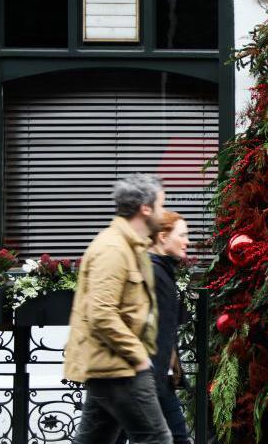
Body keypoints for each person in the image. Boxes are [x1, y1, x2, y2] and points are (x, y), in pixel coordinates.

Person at [65, 174, 172, 444]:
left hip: (112, 366)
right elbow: (101, 313)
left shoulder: (130, 247)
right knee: (156, 439)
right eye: (161, 205)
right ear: (145, 208)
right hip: (120, 367)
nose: (164, 212)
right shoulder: (112, 249)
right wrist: (137, 356)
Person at [148, 210, 193, 444]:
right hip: (147, 380)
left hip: (158, 378)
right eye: (182, 235)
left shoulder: (163, 270)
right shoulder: (152, 272)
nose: (187, 241)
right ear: (163, 236)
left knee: (178, 437)